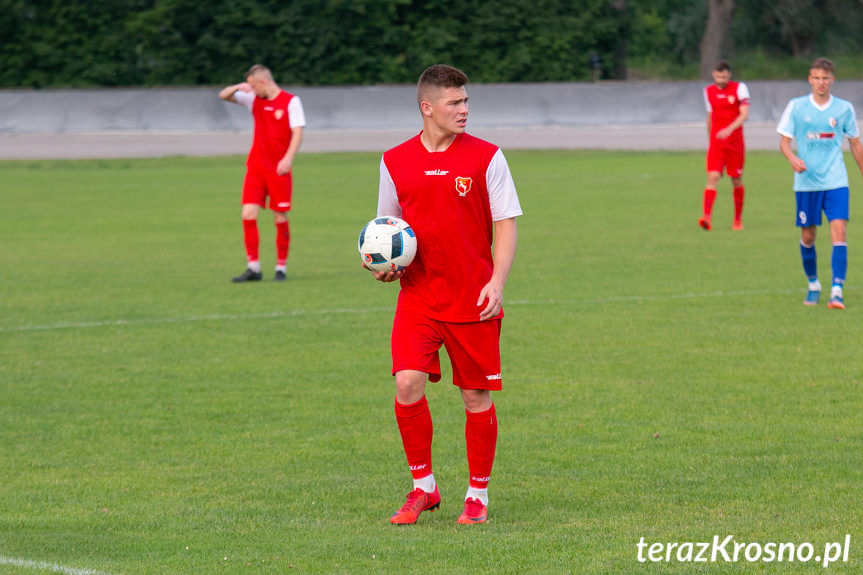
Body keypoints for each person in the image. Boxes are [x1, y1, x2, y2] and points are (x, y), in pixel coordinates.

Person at [369, 64, 522, 525]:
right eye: (455, 102)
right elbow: (388, 229)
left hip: (473, 298)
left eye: (466, 101)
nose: (464, 109)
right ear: (427, 107)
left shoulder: (487, 156)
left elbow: (506, 224)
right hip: (418, 298)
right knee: (406, 384)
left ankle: (478, 495)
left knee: (475, 398)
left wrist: (496, 282)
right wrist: (386, 267)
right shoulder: (394, 160)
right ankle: (424, 488)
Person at [778, 57, 863, 309]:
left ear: (832, 80)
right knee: (808, 236)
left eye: (825, 78)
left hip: (836, 180)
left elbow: (855, 143)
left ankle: (837, 290)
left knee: (839, 231)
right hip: (806, 183)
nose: (821, 83)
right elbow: (784, 141)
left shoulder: (844, 108)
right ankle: (814, 283)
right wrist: (792, 157)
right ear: (809, 79)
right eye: (816, 78)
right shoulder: (796, 107)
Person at [219, 65, 306, 282]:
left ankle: (281, 268)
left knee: (280, 216)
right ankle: (253, 268)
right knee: (248, 213)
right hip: (256, 168)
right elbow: (224, 95)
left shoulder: (291, 102)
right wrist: (239, 86)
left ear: (264, 82)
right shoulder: (253, 99)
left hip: (279, 169)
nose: (252, 91)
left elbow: (297, 131)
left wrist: (288, 158)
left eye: (254, 85)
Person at [699, 61, 750, 231]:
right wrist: (710, 141)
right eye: (718, 75)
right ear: (713, 74)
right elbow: (710, 117)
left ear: (729, 75)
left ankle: (737, 219)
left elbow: (744, 115)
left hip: (735, 144)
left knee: (736, 180)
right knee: (712, 177)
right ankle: (707, 218)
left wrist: (729, 129)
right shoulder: (708, 92)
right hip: (717, 145)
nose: (721, 79)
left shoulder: (739, 88)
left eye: (724, 75)